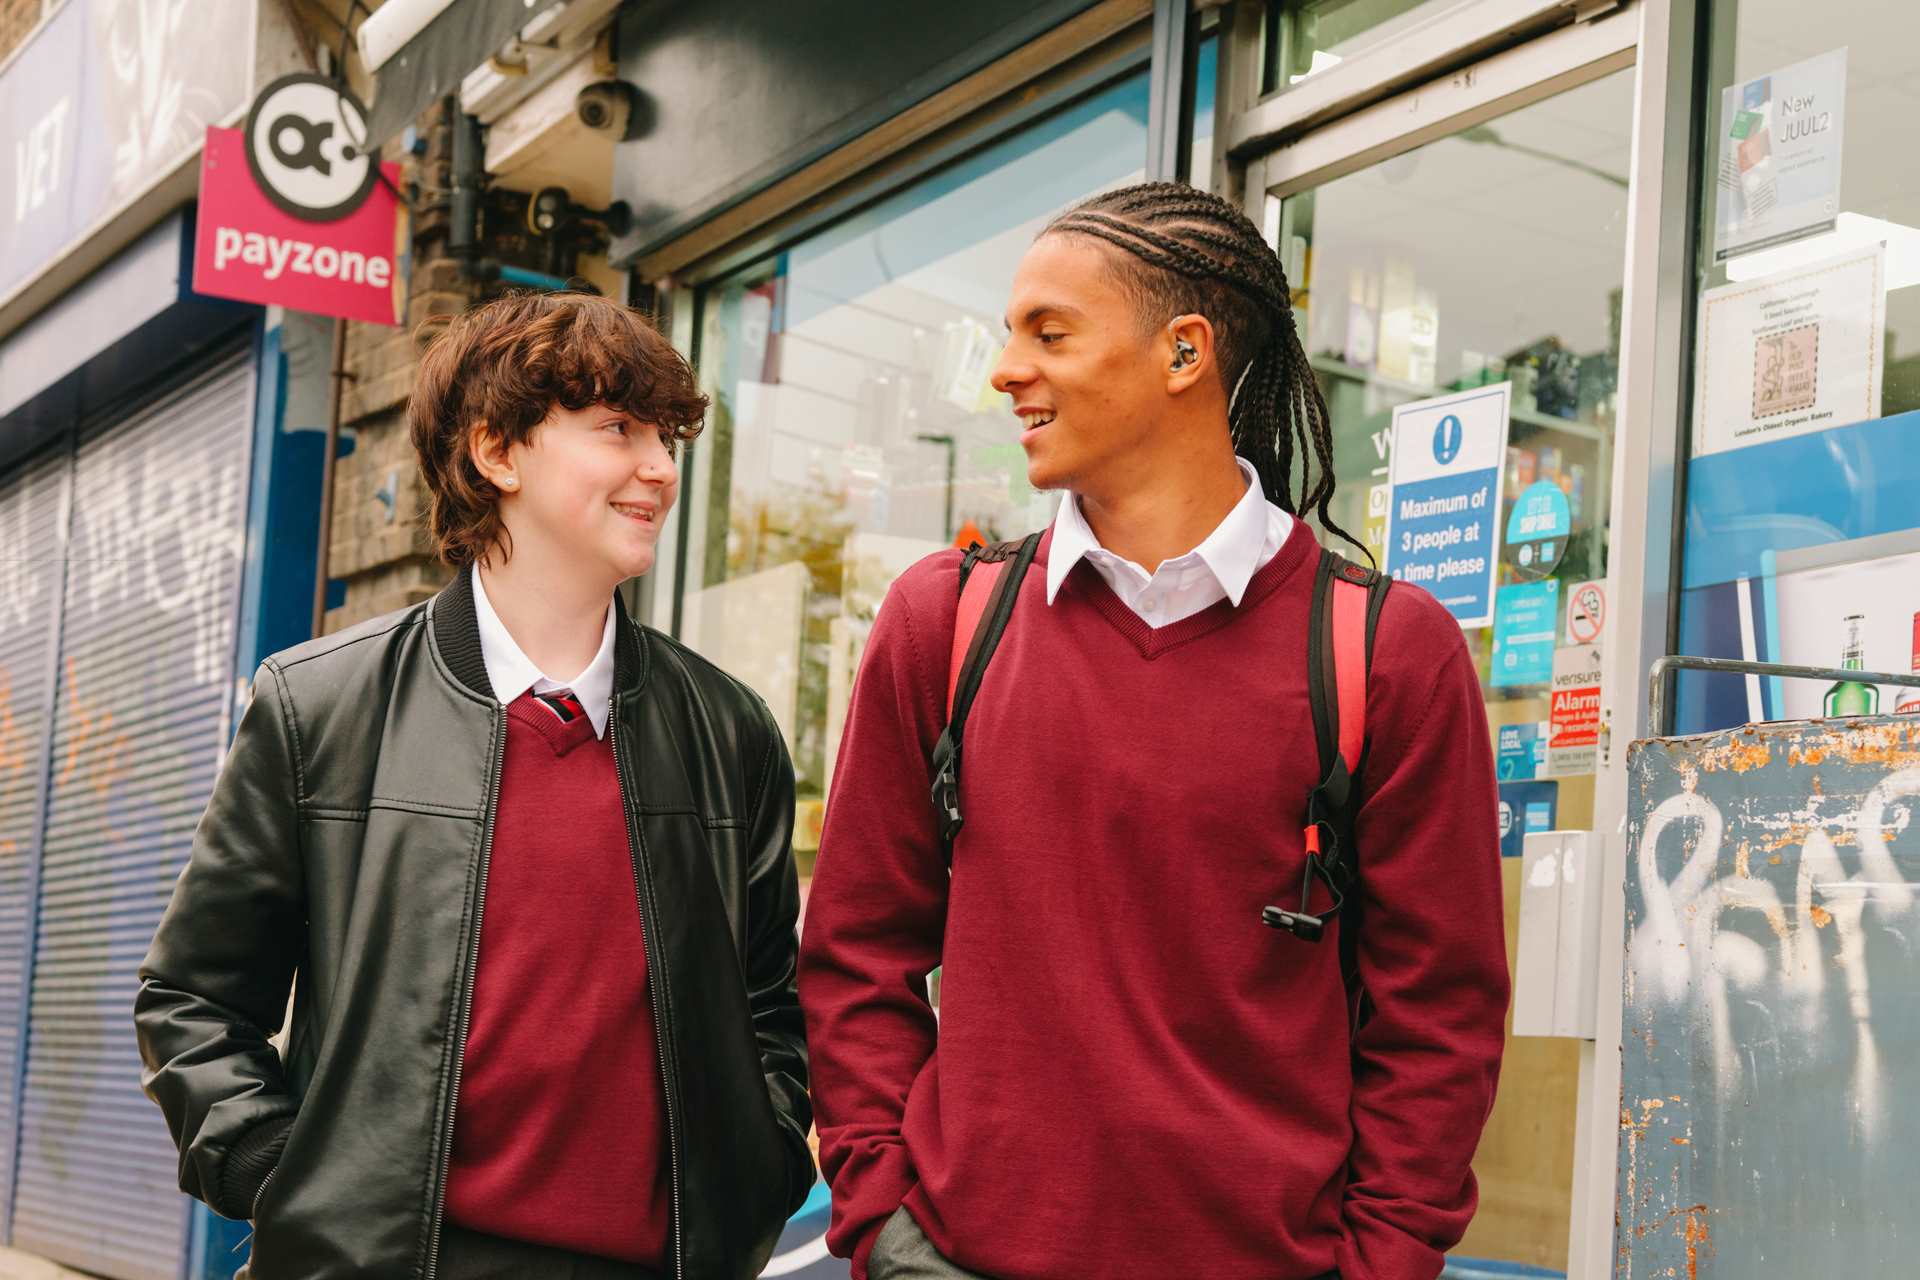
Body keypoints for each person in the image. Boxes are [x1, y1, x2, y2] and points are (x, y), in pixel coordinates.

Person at [798, 183, 1508, 1280]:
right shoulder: (943, 622)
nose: (1004, 370)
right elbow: (854, 954)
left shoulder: (1387, 653)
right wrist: (883, 1216)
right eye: (1008, 335)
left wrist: (1382, 1261)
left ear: (1185, 353)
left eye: (1050, 332)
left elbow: (1439, 1019)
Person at [135, 292, 812, 1280]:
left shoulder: (729, 730)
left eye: (667, 435)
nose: (661, 468)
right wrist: (296, 1183)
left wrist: (765, 1159)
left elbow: (770, 1008)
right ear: (498, 452)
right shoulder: (319, 703)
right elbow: (192, 998)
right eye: (619, 428)